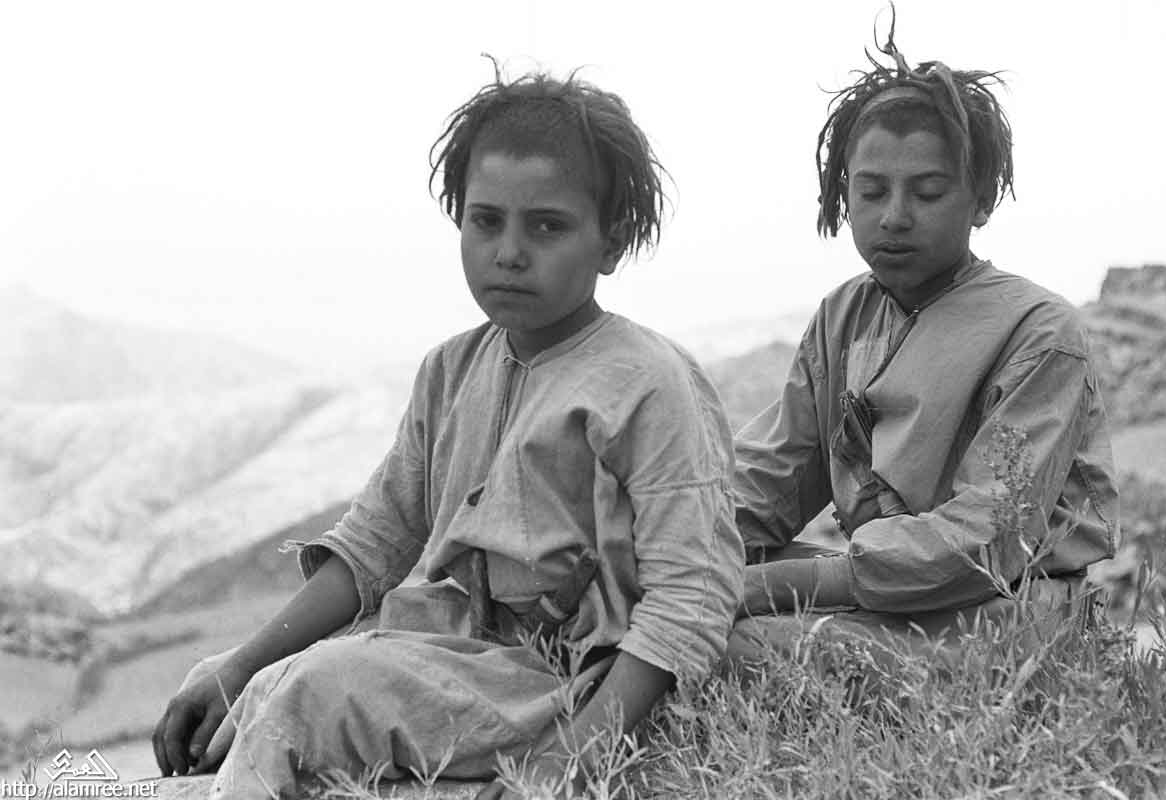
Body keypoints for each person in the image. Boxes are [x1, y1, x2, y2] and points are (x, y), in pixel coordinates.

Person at [151, 63, 743, 800]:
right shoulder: (451, 370)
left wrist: (563, 767)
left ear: (612, 241)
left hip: (571, 689)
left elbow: (690, 599)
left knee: (311, 693)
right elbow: (375, 543)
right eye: (486, 221)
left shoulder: (649, 383)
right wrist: (240, 665)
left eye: (548, 226)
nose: (509, 252)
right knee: (264, 690)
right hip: (457, 662)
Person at [729, 22, 1119, 669]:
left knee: (730, 644)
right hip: (885, 596)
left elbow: (989, 538)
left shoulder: (1040, 330)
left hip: (1002, 613)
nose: (895, 216)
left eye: (928, 192)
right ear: (842, 195)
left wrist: (768, 589)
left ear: (981, 200)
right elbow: (772, 476)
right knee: (678, 596)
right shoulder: (841, 317)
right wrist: (674, 557)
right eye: (872, 191)